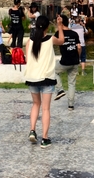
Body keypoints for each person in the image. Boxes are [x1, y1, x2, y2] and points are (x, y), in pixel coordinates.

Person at [23, 15, 65, 148]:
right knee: (46, 109)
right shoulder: (50, 39)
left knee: (35, 104)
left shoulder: (30, 41)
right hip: (46, 78)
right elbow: (62, 41)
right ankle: (45, 138)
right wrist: (60, 26)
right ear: (47, 27)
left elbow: (27, 58)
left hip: (32, 78)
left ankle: (32, 130)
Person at [53, 15, 81, 110]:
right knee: (72, 83)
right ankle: (71, 105)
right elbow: (79, 47)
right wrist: (78, 57)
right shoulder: (74, 33)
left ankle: (60, 89)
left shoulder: (58, 33)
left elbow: (51, 42)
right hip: (75, 61)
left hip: (65, 61)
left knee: (53, 71)